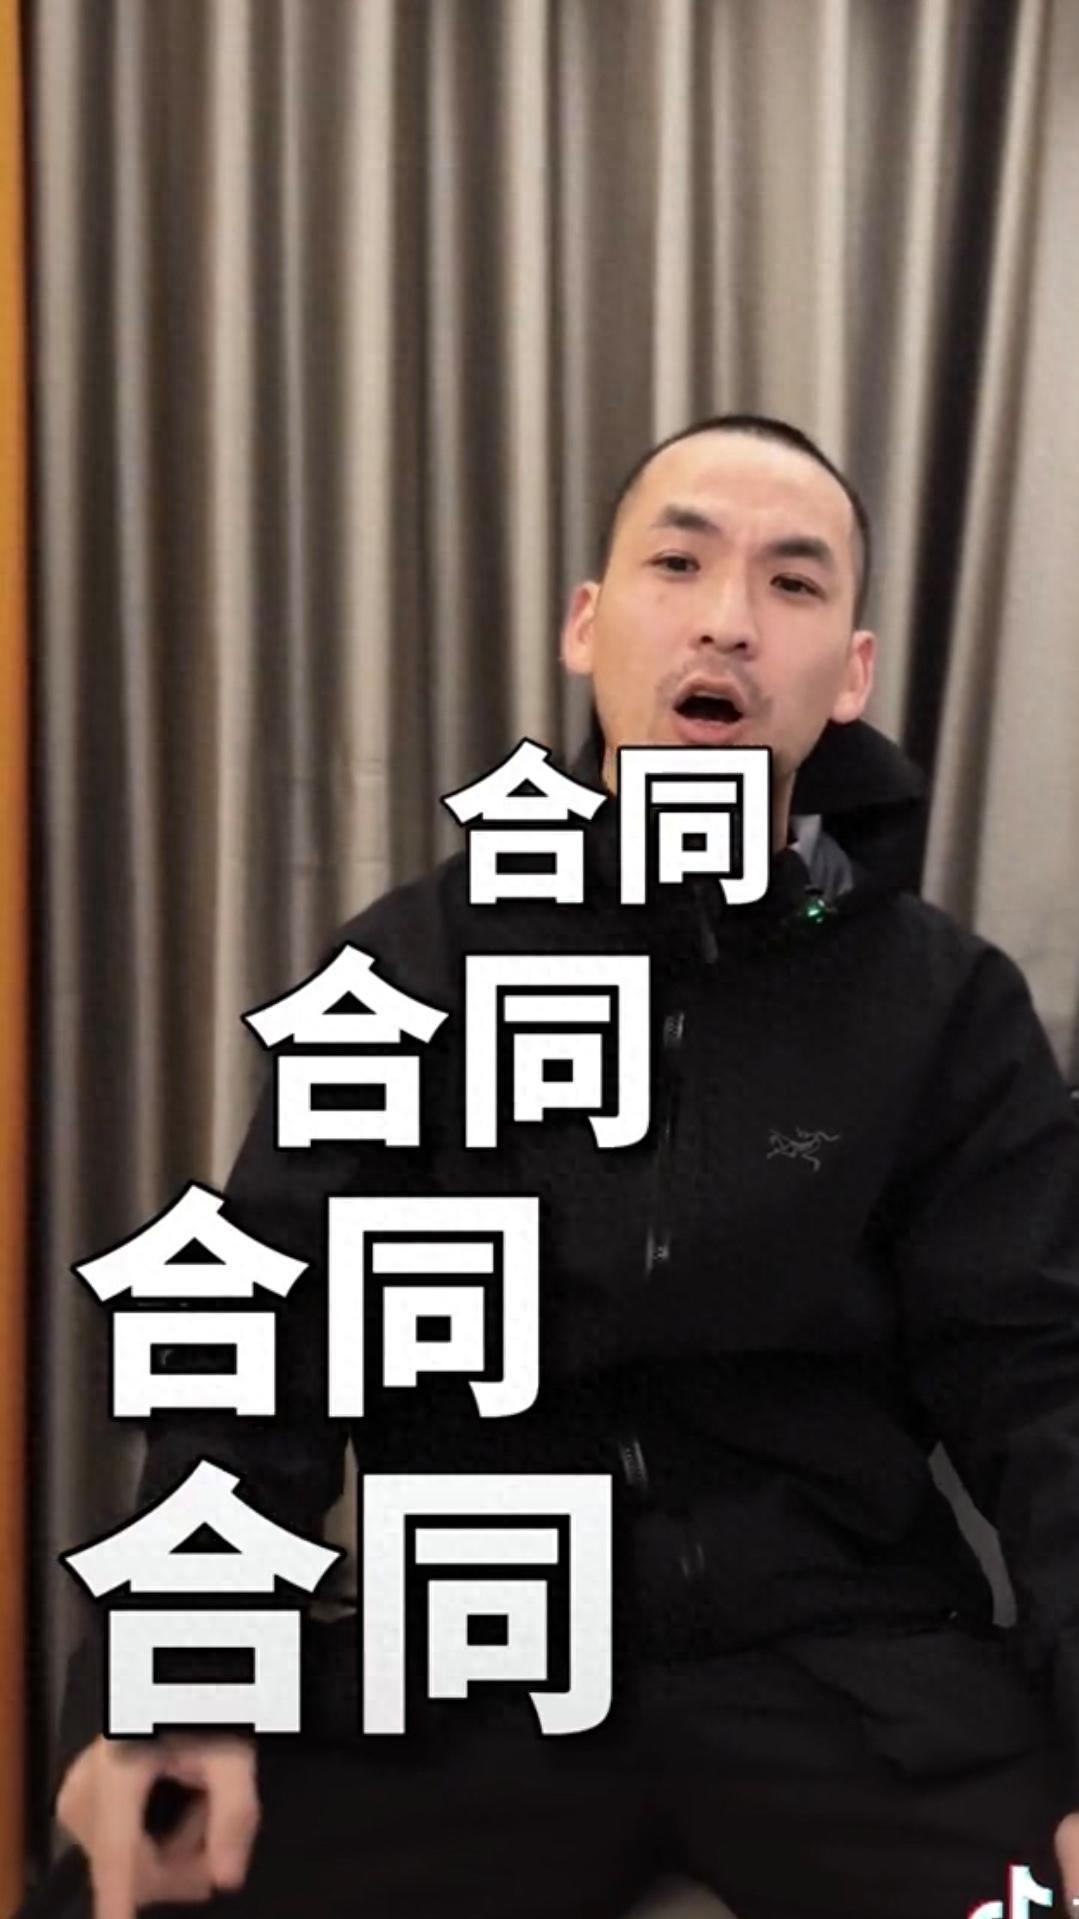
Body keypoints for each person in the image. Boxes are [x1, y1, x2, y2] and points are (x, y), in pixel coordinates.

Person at [25, 414, 1079, 1919]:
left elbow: (1043, 1390)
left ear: (849, 674)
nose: (728, 619)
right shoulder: (411, 967)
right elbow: (263, 1356)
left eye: (791, 583)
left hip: (850, 1673)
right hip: (473, 1662)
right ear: (589, 626)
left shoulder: (945, 1006)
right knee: (139, 1882)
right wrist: (174, 1689)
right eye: (678, 563)